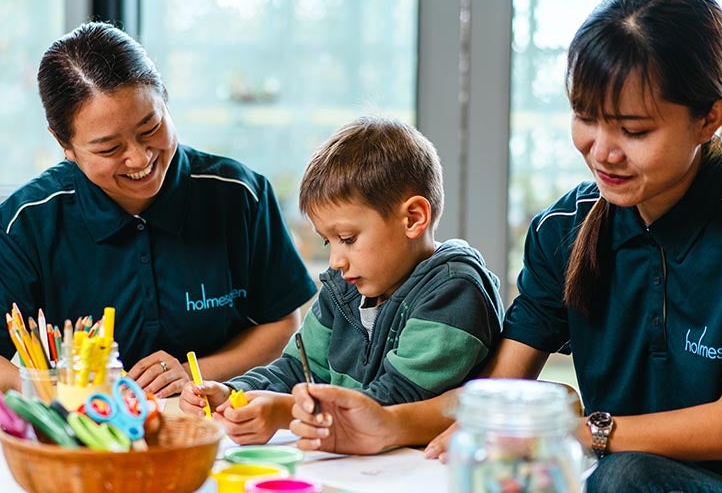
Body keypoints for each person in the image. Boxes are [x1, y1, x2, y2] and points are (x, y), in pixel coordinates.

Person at [288, 0, 722, 492]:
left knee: (620, 477)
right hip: (622, 476)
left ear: (709, 118)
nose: (602, 152)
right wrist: (385, 426)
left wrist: (582, 431)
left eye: (633, 129)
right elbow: (500, 388)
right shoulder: (564, 229)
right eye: (585, 117)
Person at [0, 22, 317, 397]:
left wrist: (194, 373)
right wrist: (53, 391)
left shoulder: (239, 194)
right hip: (82, 432)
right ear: (65, 144)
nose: (139, 158)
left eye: (150, 127)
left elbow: (282, 322)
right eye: (109, 149)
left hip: (213, 422)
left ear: (165, 98)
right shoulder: (25, 223)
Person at [179, 116, 505, 444]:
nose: (336, 261)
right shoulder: (344, 287)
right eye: (328, 241)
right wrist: (235, 392)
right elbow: (295, 369)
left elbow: (398, 400)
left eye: (347, 238)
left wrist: (285, 412)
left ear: (413, 218)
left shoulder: (455, 292)